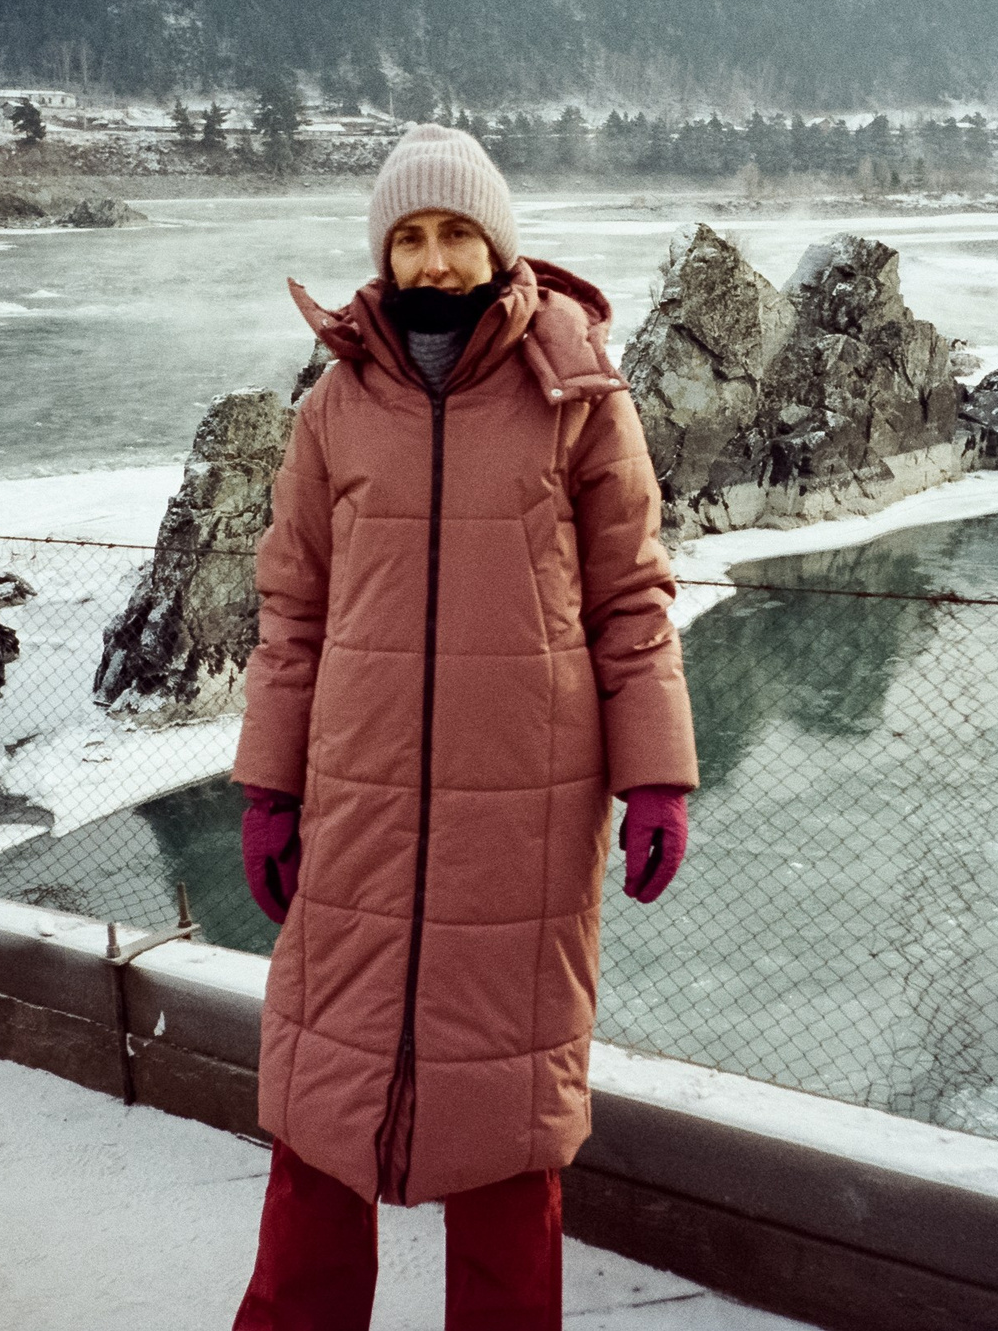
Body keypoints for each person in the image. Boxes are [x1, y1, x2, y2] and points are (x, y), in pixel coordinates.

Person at [230, 122, 698, 1330]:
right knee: (322, 1116)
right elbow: (293, 610)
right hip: (360, 806)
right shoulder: (336, 407)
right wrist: (268, 787)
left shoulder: (579, 392)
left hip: (528, 815)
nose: (434, 260)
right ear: (383, 253)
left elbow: (630, 596)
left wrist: (658, 778)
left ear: (498, 244)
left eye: (456, 234)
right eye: (409, 236)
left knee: (507, 1136)